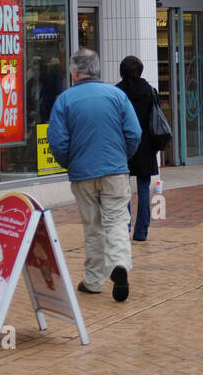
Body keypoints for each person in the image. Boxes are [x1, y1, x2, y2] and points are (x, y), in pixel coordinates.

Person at [48, 48, 140, 301]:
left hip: (82, 173)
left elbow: (57, 142)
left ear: (74, 71)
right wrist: (123, 157)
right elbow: (134, 133)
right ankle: (120, 265)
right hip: (115, 170)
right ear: (97, 69)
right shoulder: (117, 96)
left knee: (93, 227)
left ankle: (93, 280)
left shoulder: (64, 100)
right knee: (117, 222)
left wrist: (70, 163)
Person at [115, 56, 161, 242]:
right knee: (144, 188)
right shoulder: (150, 91)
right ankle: (141, 232)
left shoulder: (116, 92)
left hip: (122, 144)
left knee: (122, 189)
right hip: (146, 144)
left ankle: (124, 227)